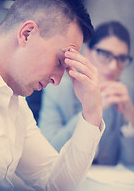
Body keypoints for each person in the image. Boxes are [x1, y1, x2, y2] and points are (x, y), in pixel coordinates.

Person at [0, 0, 104, 191]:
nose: (57, 80)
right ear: (27, 33)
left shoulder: (15, 101)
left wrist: (92, 114)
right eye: (60, 61)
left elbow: (55, 186)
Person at [39, 21, 134, 166]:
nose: (113, 66)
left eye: (121, 58)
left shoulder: (128, 95)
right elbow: (47, 151)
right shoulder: (57, 89)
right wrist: (92, 110)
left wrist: (131, 119)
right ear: (87, 52)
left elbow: (130, 163)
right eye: (104, 54)